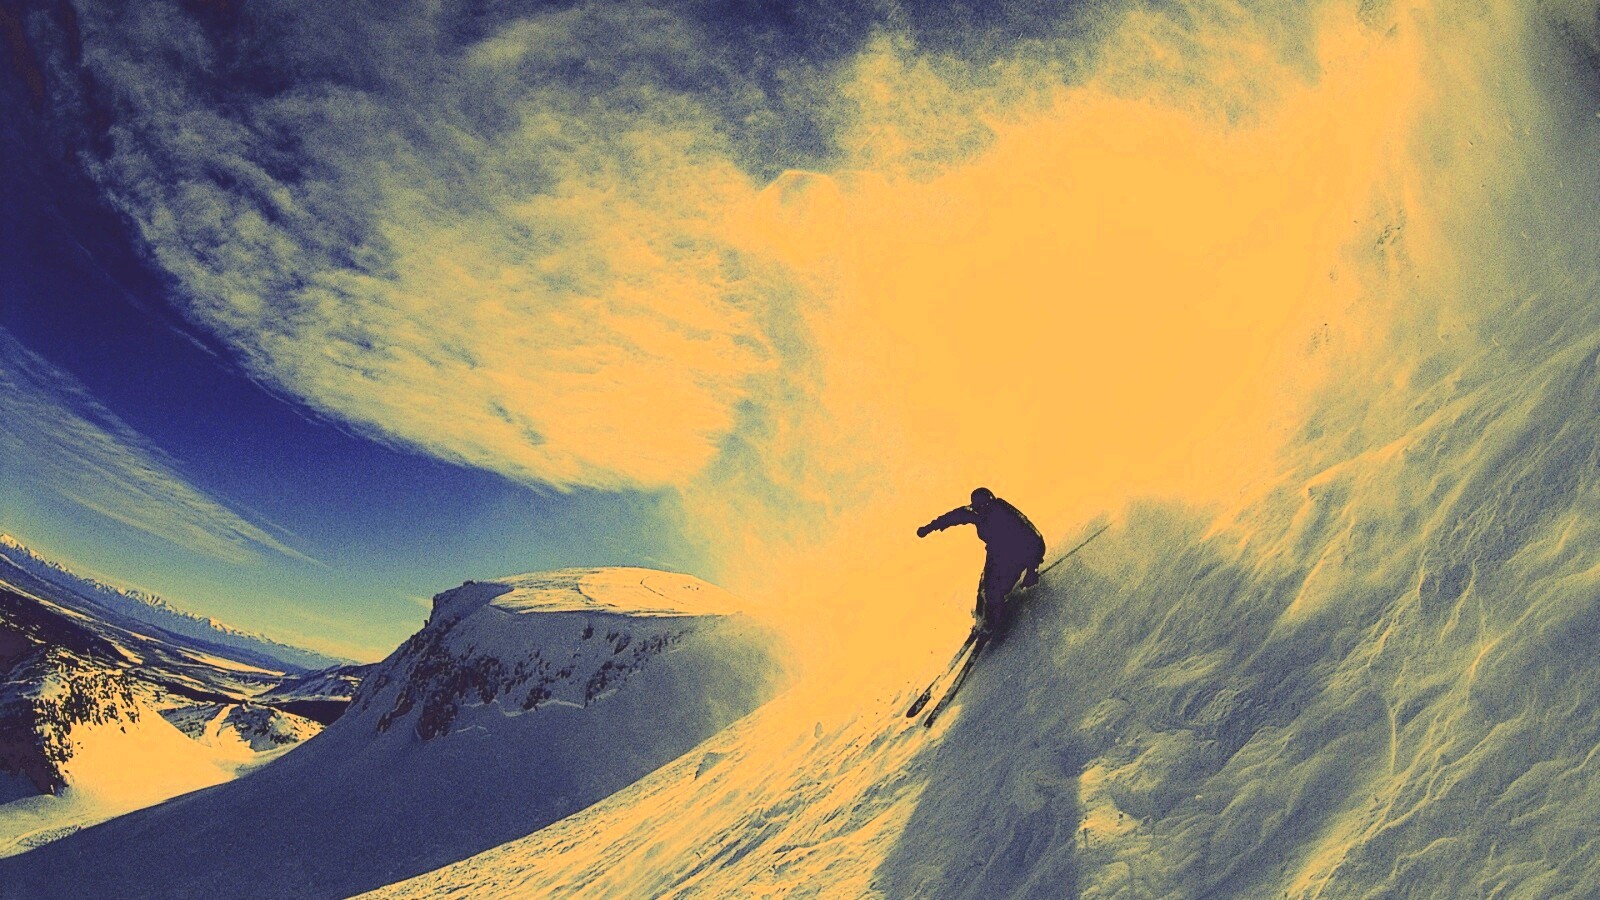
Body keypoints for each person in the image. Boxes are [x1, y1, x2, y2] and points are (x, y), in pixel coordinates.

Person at [917, 487, 1046, 635]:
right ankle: (982, 619)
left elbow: (1034, 537)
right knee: (984, 588)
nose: (982, 512)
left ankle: (996, 618)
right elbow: (953, 516)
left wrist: (1032, 569)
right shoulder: (976, 512)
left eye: (984, 508)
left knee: (994, 590)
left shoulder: (1004, 512)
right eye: (978, 509)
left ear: (991, 503)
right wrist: (929, 527)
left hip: (1016, 553)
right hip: (996, 554)